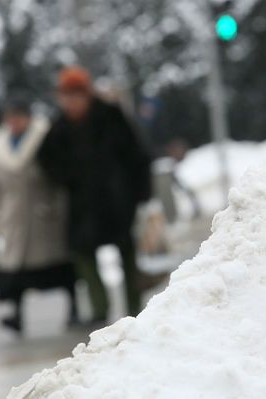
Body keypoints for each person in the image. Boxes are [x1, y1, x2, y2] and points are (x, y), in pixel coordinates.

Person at [38, 67, 154, 322]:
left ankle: (136, 310)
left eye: (75, 96)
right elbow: (45, 159)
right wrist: (66, 177)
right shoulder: (59, 127)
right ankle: (99, 309)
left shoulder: (111, 116)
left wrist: (142, 192)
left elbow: (137, 154)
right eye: (66, 96)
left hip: (117, 199)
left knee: (127, 253)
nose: (71, 102)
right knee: (84, 255)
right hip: (83, 204)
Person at [0, 96, 77, 334]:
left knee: (59, 267)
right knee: (15, 272)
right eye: (10, 118)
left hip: (43, 212)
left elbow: (58, 173)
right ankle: (16, 315)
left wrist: (57, 206)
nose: (14, 122)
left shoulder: (44, 136)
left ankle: (73, 308)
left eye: (18, 117)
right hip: (13, 215)